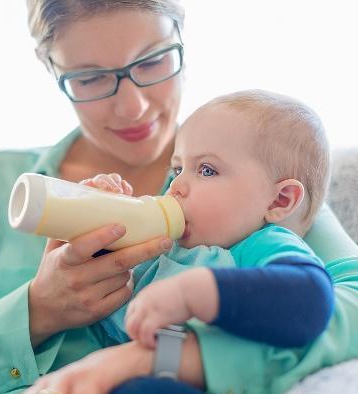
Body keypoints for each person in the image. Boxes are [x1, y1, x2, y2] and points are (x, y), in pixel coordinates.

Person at [0, 1, 358, 394]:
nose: (131, 107)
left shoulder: (248, 177)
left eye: (153, 61)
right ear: (52, 71)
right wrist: (37, 311)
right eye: (90, 78)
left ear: (182, 40)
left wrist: (181, 358)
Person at [91, 90, 334, 347]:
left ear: (279, 200)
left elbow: (311, 297)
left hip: (171, 365)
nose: (175, 186)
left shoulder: (260, 244)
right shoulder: (166, 241)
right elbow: (107, 276)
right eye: (177, 169)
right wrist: (101, 212)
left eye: (207, 170)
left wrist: (194, 294)